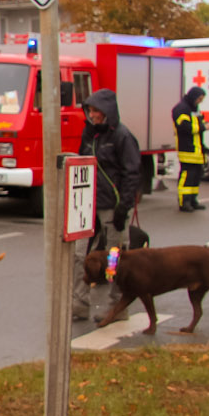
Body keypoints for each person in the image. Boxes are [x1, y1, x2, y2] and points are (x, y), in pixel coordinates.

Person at [72, 89, 142, 321]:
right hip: (87, 205)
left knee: (115, 257)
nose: (92, 115)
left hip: (113, 206)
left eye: (96, 111)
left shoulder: (123, 136)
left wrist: (123, 207)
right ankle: (79, 304)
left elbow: (132, 173)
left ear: (108, 111)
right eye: (90, 110)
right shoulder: (89, 134)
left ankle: (117, 305)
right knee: (79, 255)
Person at [173, 85, 207, 212]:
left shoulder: (194, 108)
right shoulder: (181, 109)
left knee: (196, 176)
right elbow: (184, 127)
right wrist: (204, 127)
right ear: (194, 96)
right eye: (199, 99)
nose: (200, 102)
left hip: (196, 148)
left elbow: (197, 123)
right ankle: (184, 202)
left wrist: (203, 125)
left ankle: (193, 200)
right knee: (187, 176)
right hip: (187, 149)